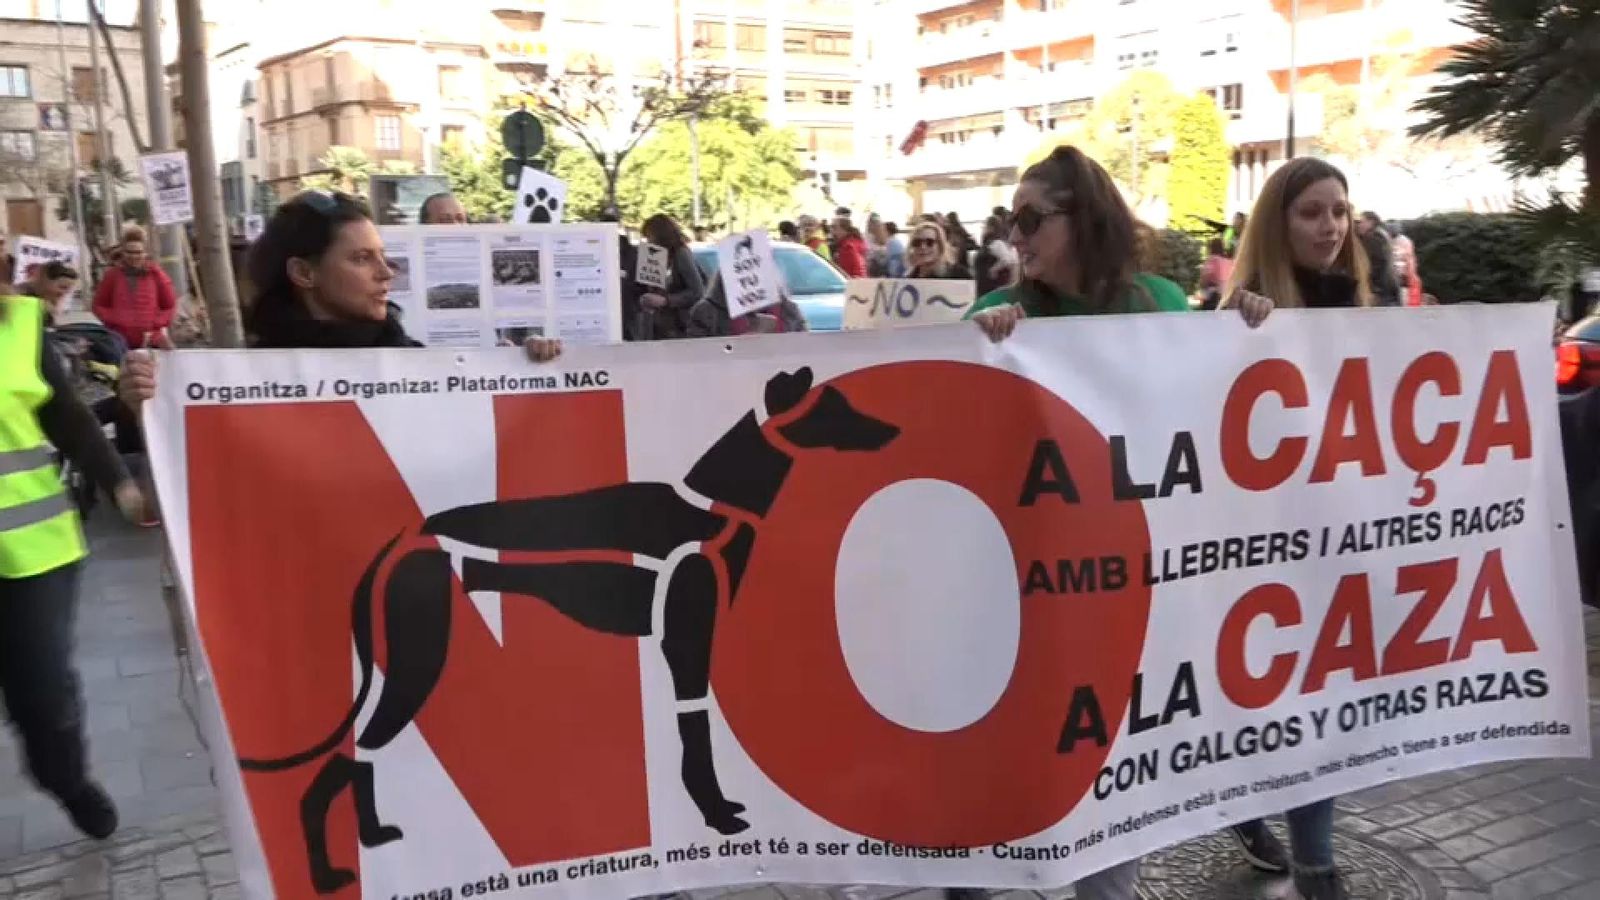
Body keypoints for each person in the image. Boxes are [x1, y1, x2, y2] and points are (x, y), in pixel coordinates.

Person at [958, 146, 1189, 900]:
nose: (1014, 235)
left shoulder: (1159, 305)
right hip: (1019, 592)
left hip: (1119, 586)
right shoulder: (995, 316)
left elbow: (1206, 409)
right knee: (1003, 765)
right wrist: (975, 349)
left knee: (1108, 773)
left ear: (1082, 218)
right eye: (1009, 220)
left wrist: (1249, 331)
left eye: (1029, 218)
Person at [1219, 157, 1374, 900]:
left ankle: (1315, 862)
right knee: (1267, 708)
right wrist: (1236, 340)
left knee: (1321, 708)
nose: (1331, 227)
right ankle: (1245, 811)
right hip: (1259, 555)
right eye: (1312, 212)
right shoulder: (1236, 316)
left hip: (1337, 546)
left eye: (1339, 211)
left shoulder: (1361, 304)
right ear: (1277, 225)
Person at [119, 190, 561, 402]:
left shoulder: (411, 358)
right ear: (304, 273)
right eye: (362, 259)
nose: (386, 273)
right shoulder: (243, 388)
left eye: (383, 257)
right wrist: (151, 410)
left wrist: (523, 372)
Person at [0, 278, 148, 844]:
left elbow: (67, 415)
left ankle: (66, 779)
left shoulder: (20, 324)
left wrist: (117, 482)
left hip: (33, 551)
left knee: (41, 693)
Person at [92, 226, 177, 349]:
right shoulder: (112, 275)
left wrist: (154, 324)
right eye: (129, 252)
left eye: (138, 252)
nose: (133, 256)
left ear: (145, 253)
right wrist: (116, 319)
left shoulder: (156, 275)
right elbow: (98, 305)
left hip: (150, 339)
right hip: (119, 339)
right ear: (123, 252)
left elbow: (169, 305)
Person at [636, 213, 707, 341]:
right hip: (659, 328)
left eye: (649, 237)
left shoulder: (681, 254)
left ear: (660, 235)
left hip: (681, 327)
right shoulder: (655, 256)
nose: (648, 241)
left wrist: (666, 301)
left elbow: (698, 291)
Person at [1355, 211, 1401, 306]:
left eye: (1361, 222)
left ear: (1371, 222)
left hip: (1382, 290)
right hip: (1387, 288)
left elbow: (1378, 264)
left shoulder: (1375, 237)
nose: (1358, 225)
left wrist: (1374, 290)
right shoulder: (1381, 234)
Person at [905, 220, 971, 281]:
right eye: (917, 243)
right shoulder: (909, 279)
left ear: (940, 246)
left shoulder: (959, 275)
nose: (923, 247)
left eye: (929, 242)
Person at [18, 261, 79, 325]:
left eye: (69, 289)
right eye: (62, 287)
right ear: (45, 283)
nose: (65, 293)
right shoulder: (25, 303)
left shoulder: (47, 307)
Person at [972, 215, 1016, 297]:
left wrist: (994, 269)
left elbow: (1008, 260)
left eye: (985, 226)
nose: (983, 228)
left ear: (991, 228)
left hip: (992, 287)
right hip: (984, 287)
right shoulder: (988, 244)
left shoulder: (996, 243)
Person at [1198, 237, 1234, 310]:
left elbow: (1205, 278)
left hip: (1214, 297)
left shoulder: (1212, 260)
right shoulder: (1229, 262)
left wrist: (1202, 284)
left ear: (1211, 248)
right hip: (1227, 296)